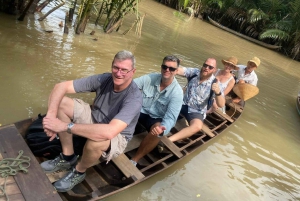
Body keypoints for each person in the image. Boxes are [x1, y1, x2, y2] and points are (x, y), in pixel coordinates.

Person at [40, 50, 143, 192]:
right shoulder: (104, 79)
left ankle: (79, 171)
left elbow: (109, 132)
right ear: (112, 66)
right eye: (116, 68)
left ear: (133, 72)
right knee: (61, 103)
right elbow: (60, 86)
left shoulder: (134, 98)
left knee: (97, 141)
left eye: (124, 70)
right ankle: (68, 156)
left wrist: (63, 126)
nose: (119, 73)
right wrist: (50, 118)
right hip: (95, 117)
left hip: (117, 135)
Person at [130, 55, 183, 166]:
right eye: (165, 67)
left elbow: (171, 118)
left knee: (158, 131)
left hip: (155, 118)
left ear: (176, 71)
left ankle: (134, 160)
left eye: (171, 68)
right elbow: (131, 85)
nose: (167, 70)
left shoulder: (177, 92)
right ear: (161, 67)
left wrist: (162, 129)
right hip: (140, 110)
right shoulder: (150, 78)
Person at [166, 58, 225, 143]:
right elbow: (178, 71)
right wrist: (174, 64)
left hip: (196, 111)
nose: (206, 68)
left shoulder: (216, 83)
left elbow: (221, 104)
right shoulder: (194, 72)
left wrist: (218, 92)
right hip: (182, 103)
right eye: (205, 65)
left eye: (210, 67)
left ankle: (169, 140)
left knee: (197, 126)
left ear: (214, 70)